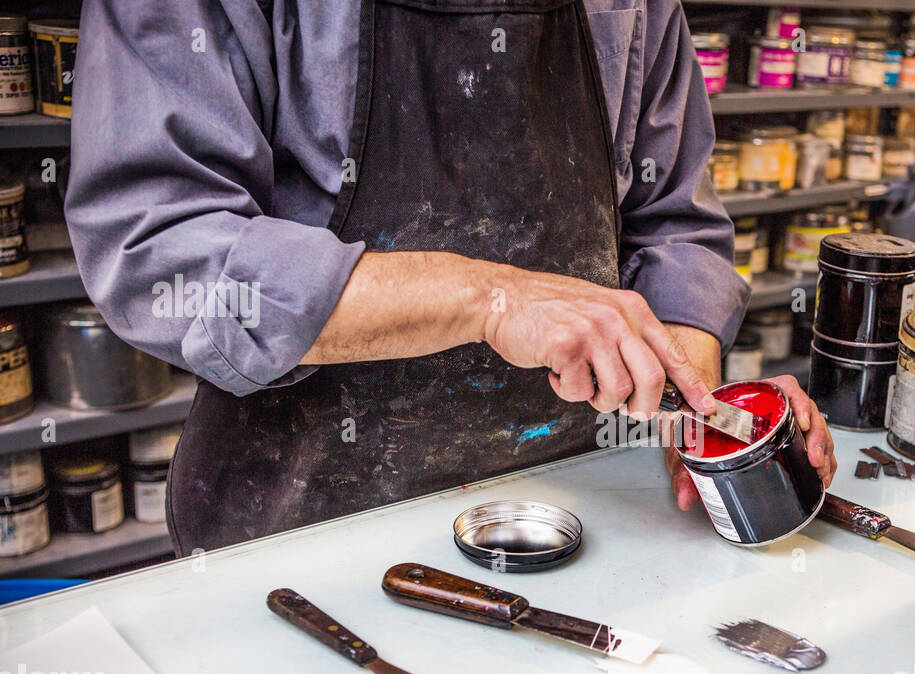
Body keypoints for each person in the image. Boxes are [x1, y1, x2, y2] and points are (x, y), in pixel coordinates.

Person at [65, 0, 836, 554]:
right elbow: (161, 246)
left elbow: (674, 222)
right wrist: (487, 296)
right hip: (298, 536)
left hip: (574, 515)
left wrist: (689, 401)